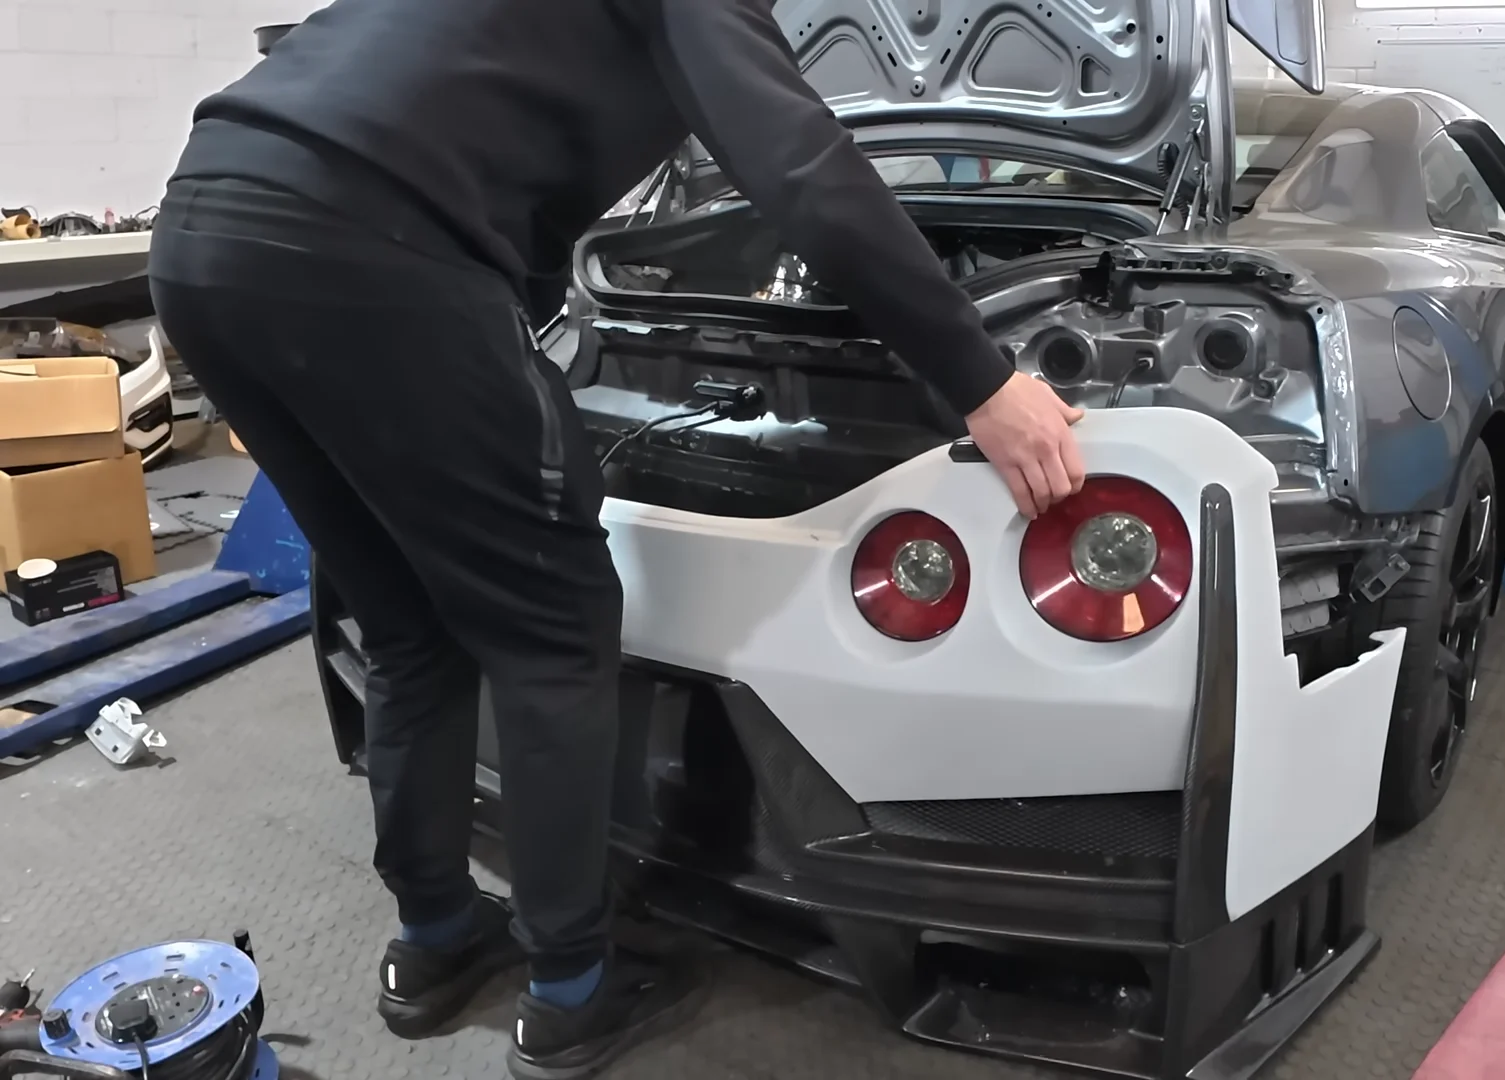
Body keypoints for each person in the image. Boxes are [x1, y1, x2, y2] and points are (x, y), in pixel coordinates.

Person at [147, 1, 1086, 1077]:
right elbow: (805, 170)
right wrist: (982, 378)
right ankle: (572, 990)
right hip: (368, 250)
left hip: (204, 232)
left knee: (407, 619)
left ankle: (438, 939)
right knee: (552, 621)